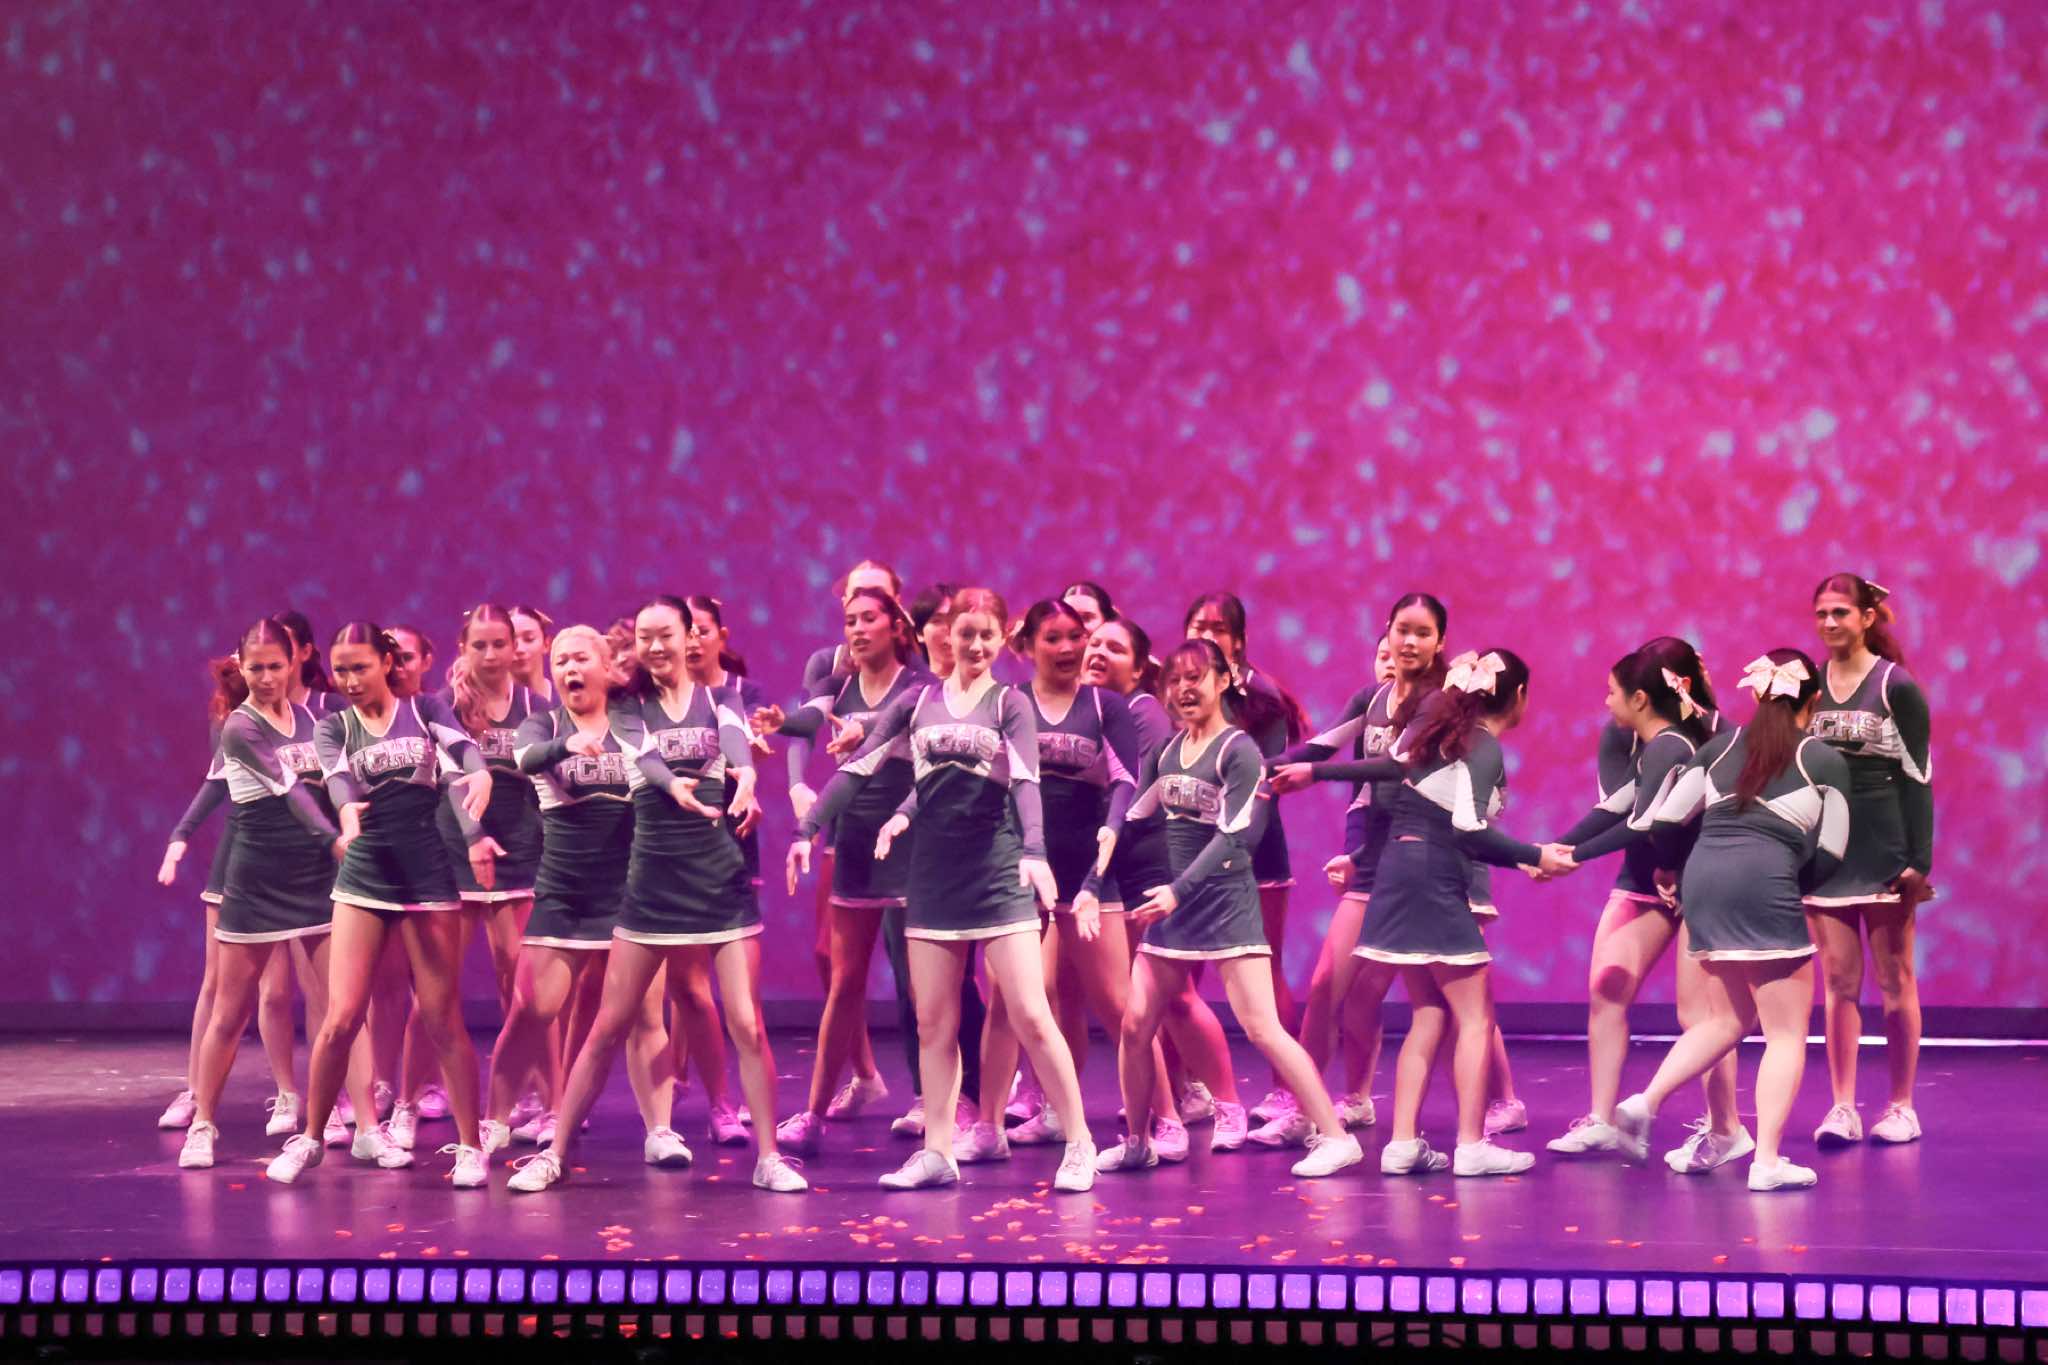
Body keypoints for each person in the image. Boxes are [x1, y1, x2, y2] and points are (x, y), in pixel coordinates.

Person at [793, 588, 1098, 1192]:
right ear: (947, 636)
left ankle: (1080, 1141)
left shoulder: (1010, 703)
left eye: (987, 635)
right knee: (934, 1023)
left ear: (1002, 638)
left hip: (997, 876)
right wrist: (808, 828)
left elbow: (1027, 782)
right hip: (932, 879)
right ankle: (937, 1150)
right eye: (966, 634)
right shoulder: (919, 700)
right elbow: (860, 765)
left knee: (1031, 1013)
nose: (976, 645)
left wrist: (1035, 852)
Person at [506, 596, 805, 1194]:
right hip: (649, 886)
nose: (655, 646)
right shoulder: (627, 707)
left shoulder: (721, 699)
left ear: (689, 636)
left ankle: (770, 1158)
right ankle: (554, 1154)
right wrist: (675, 789)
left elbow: (733, 738)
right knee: (607, 1025)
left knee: (748, 1025)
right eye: (644, 637)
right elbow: (645, 757)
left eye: (665, 634)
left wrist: (746, 775)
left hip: (718, 883)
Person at [1090, 640, 1362, 1179]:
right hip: (1175, 911)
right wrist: (1091, 877)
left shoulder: (1239, 752)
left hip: (1224, 906)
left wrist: (1178, 890)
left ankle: (1336, 1136)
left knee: (1263, 1028)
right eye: (1174, 681)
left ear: (1221, 682)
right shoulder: (1169, 752)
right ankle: (1139, 1142)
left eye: (1196, 678)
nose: (1184, 690)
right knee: (1136, 1025)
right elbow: (1135, 817)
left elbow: (1234, 837)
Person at [1613, 649, 1855, 1191]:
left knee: (1725, 1019)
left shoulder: (1718, 749)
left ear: (1756, 694)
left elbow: (1665, 822)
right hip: (1765, 884)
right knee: (1786, 1033)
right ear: (1813, 701)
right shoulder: (1823, 759)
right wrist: (1789, 889)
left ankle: (1644, 1101)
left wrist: (1674, 870)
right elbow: (1833, 851)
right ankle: (1766, 1161)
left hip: (1705, 882)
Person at [265, 623, 496, 1188]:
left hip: (426, 876)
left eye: (360, 668)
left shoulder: (424, 709)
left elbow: (463, 750)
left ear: (387, 663)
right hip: (365, 875)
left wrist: (481, 772)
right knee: (342, 1017)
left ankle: (471, 1147)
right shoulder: (334, 726)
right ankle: (311, 1138)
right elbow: (338, 781)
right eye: (341, 670)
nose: (349, 680)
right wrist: (346, 815)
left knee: (441, 1017)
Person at [963, 600, 1185, 1163]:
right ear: (1026, 646)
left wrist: (1105, 848)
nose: (1067, 648)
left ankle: (1165, 1118)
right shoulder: (1008, 703)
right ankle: (989, 1126)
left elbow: (1126, 783)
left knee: (1117, 1003)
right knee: (1008, 999)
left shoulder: (1106, 706)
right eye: (1053, 638)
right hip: (1023, 869)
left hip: (1090, 872)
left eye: (1075, 637)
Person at [1355, 649, 1566, 1178]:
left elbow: (1441, 815)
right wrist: (1534, 854)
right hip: (1433, 877)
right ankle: (1472, 1145)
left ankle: (1403, 1143)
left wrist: (1522, 859)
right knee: (1476, 1016)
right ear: (1519, 696)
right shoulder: (1483, 744)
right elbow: (1469, 830)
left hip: (1399, 872)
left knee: (1429, 1012)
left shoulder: (1443, 737)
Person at [481, 627, 684, 1166]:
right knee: (533, 1009)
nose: (570, 669)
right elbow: (525, 757)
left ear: (604, 666)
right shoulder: (543, 724)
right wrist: (565, 746)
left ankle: (660, 1130)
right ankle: (493, 1123)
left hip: (631, 891)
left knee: (646, 1016)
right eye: (561, 662)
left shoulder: (633, 722)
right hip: (565, 891)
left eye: (580, 659)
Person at [1543, 639, 1748, 1172]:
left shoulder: (1712, 735)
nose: (1605, 701)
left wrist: (1572, 856)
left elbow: (1655, 819)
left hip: (1699, 880)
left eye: (1612, 692)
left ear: (1645, 695)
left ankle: (1726, 1128)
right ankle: (1602, 1119)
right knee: (1607, 984)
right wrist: (1558, 849)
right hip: (1647, 874)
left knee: (1702, 1015)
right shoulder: (1628, 736)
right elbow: (1624, 806)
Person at [755, 588, 939, 1152]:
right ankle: (812, 1113)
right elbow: (810, 718)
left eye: (868, 619)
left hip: (909, 843)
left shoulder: (919, 685)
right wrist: (784, 722)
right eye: (849, 621)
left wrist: (868, 730)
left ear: (896, 628)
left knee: (923, 990)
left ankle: (940, 1104)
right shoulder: (837, 685)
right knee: (844, 981)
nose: (856, 630)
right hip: (856, 842)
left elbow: (895, 726)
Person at [1264, 594, 1450, 1137]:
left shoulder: (1439, 703)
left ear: (1439, 642)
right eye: (1402, 630)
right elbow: (1322, 746)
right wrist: (1251, 766)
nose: (1409, 642)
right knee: (1327, 986)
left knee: (1448, 1000)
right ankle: (1305, 1112)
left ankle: (1493, 1109)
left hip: (1418, 863)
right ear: (1386, 632)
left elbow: (1396, 767)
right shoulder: (1371, 699)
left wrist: (1316, 777)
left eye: (1422, 633)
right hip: (1373, 868)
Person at [178, 620, 353, 1170]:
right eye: (256, 668)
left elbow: (337, 781)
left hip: (314, 881)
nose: (267, 677)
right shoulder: (239, 726)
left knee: (338, 1009)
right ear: (242, 667)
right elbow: (290, 789)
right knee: (230, 1012)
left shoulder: (314, 720)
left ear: (294, 663)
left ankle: (329, 1123)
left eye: (276, 666)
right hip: (256, 882)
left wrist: (351, 822)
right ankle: (203, 1123)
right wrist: (334, 839)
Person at [1082, 617, 1246, 1150]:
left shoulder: (1143, 711)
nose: (1097, 652)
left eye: (1114, 647)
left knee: (1170, 997)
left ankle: (1206, 1105)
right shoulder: (1086, 707)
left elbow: (1142, 797)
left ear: (1139, 668)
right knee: (1127, 1004)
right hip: (1103, 861)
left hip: (1144, 864)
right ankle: (1160, 1111)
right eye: (1092, 642)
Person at [1803, 574, 1934, 1147]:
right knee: (1838, 982)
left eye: (1841, 612)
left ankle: (1902, 1106)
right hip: (1829, 852)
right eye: (1822, 613)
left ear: (1867, 618)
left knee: (1895, 978)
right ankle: (1842, 1107)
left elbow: (1918, 777)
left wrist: (1919, 860)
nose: (1830, 623)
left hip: (1885, 850)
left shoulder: (1894, 685)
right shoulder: (1808, 684)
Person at [1183, 592, 1309, 1122]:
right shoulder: (1179, 688)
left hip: (1254, 854)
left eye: (1218, 628)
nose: (1207, 635)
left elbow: (1264, 785)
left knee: (1265, 971)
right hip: (1191, 851)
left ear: (1238, 641)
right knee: (1181, 975)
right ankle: (1188, 1088)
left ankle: (1287, 1093)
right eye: (1198, 625)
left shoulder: (1262, 697)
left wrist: (1231, 849)